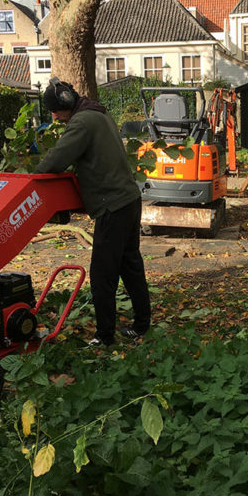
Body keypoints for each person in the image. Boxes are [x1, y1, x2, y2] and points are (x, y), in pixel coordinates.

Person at [34, 78, 150, 346]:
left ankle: (104, 337)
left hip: (112, 206)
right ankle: (142, 325)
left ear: (62, 106)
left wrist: (33, 177)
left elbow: (56, 160)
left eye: (54, 111)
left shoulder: (81, 122)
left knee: (102, 275)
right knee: (130, 266)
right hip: (129, 199)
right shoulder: (99, 113)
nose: (54, 116)